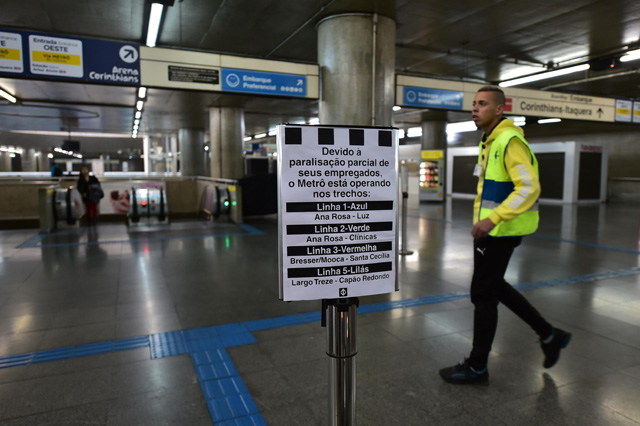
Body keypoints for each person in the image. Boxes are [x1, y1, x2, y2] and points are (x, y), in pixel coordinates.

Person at [439, 86, 571, 385]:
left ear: (500, 109)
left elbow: (529, 187)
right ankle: (550, 334)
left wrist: (493, 219)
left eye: (482, 104)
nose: (475, 108)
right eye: (474, 104)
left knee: (483, 294)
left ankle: (477, 367)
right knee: (494, 287)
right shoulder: (491, 140)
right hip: (492, 230)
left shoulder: (510, 140)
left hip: (501, 231)